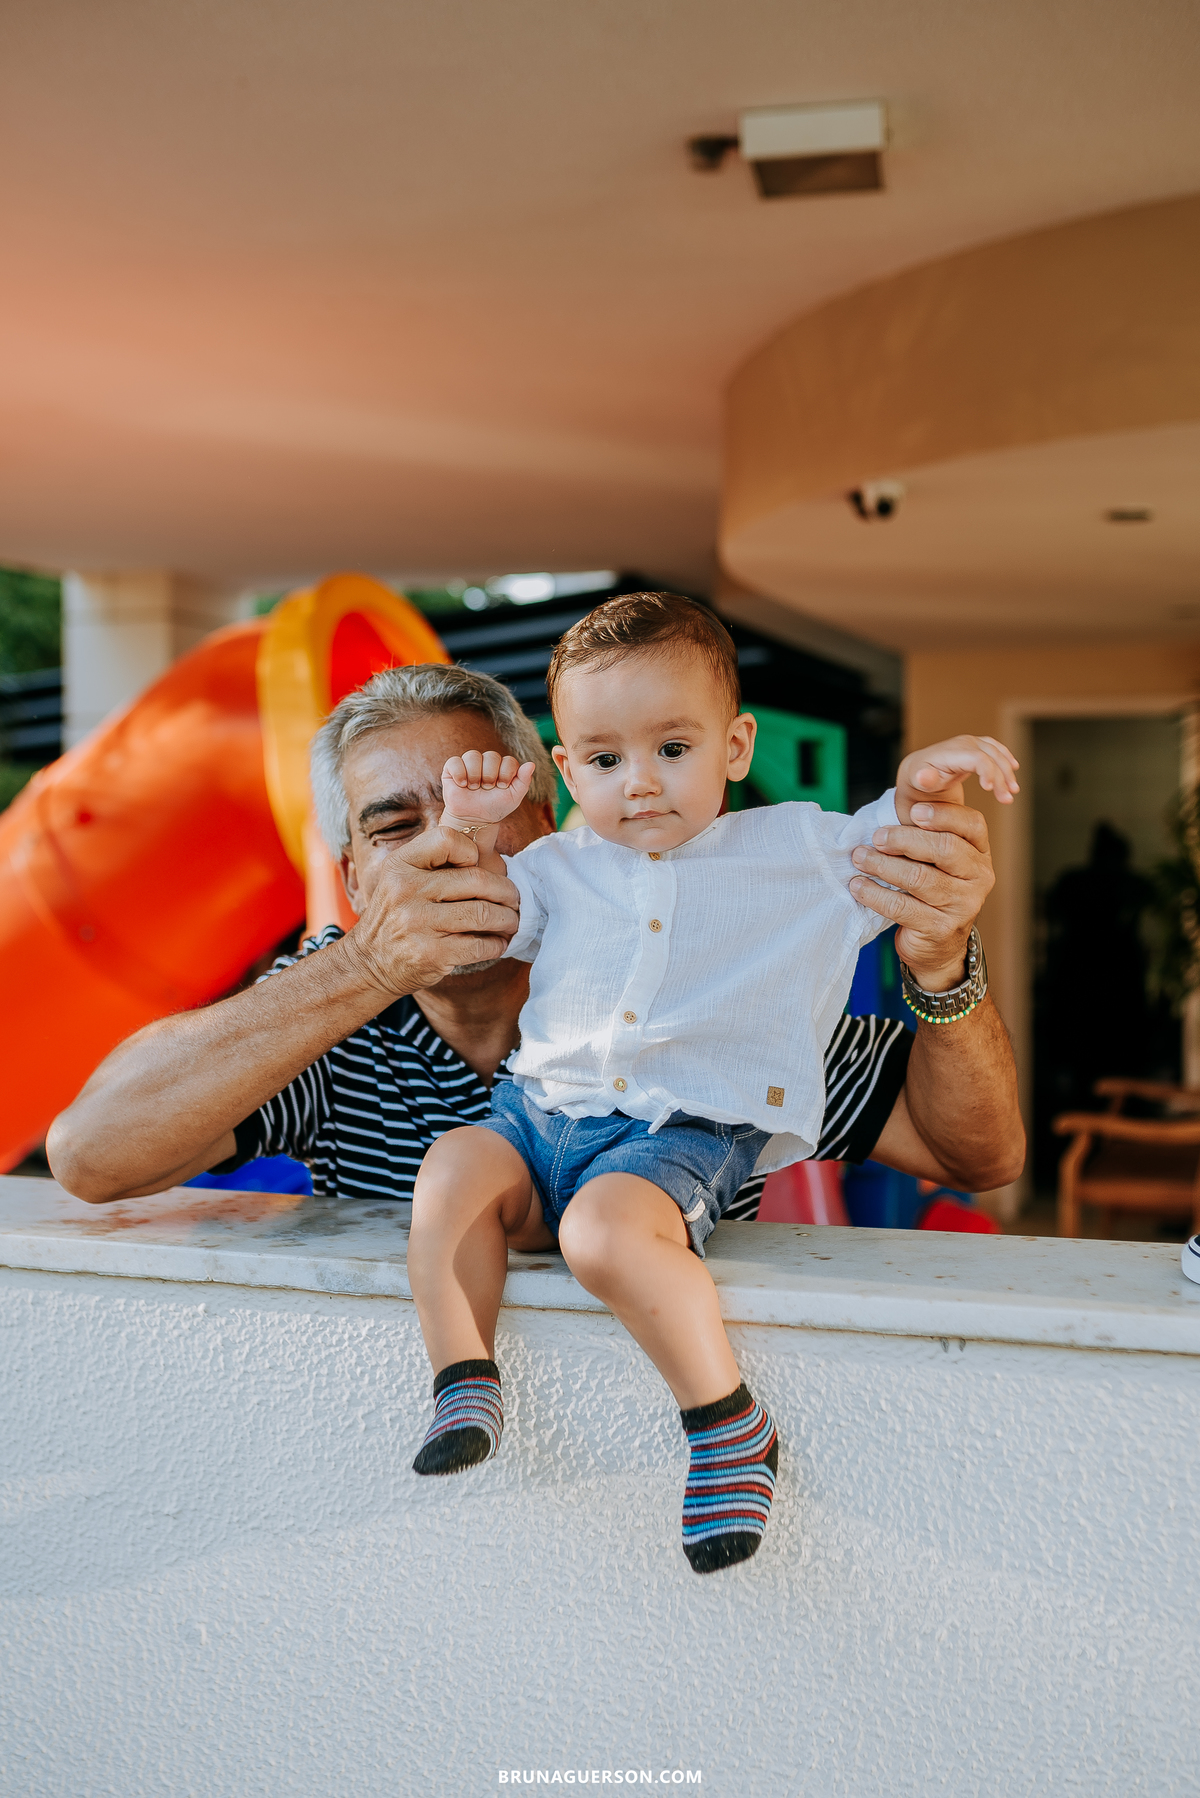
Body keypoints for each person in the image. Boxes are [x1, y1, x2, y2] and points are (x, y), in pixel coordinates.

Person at [405, 592, 1019, 1576]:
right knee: (449, 1168)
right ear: (567, 770)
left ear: (735, 746)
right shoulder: (556, 865)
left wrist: (925, 786)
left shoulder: (800, 849)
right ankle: (463, 1376)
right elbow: (475, 919)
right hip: (536, 1115)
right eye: (605, 760)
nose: (640, 782)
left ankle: (726, 1423)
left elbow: (897, 837)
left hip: (677, 1133)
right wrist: (470, 831)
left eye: (672, 748)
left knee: (603, 1236)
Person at [47, 657, 1022, 1217]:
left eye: (482, 800)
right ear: (353, 879)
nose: (450, 843)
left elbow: (978, 1156)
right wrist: (371, 962)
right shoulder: (335, 1005)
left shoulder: (699, 958)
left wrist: (941, 965)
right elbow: (90, 1156)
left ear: (552, 823)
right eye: (394, 826)